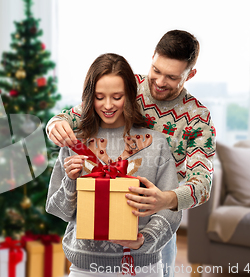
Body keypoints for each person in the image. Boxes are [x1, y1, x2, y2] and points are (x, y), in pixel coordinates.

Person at [46, 30, 216, 277]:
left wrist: (164, 199)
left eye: (171, 77)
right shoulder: (128, 85)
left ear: (190, 74)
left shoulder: (198, 118)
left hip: (155, 220)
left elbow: (202, 183)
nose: (158, 81)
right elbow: (79, 114)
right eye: (156, 70)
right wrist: (55, 123)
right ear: (152, 58)